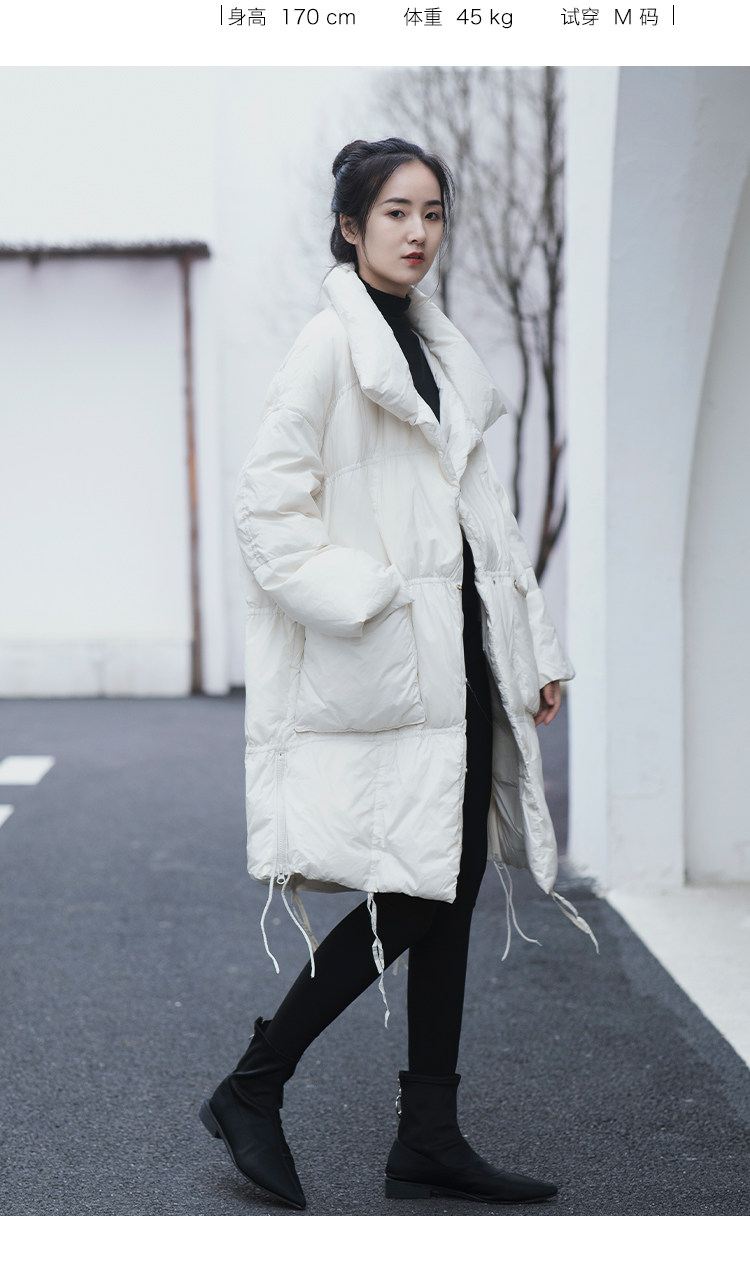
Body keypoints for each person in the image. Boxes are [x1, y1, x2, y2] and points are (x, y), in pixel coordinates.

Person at [200, 137, 592, 1211]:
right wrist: (372, 600)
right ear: (350, 226)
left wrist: (530, 648)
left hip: (461, 662)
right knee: (418, 892)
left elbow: (485, 524)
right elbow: (265, 515)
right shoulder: (330, 347)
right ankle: (254, 1083)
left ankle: (428, 1135)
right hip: (394, 662)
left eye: (432, 213)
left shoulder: (436, 347)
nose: (418, 232)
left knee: (446, 893)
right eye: (395, 213)